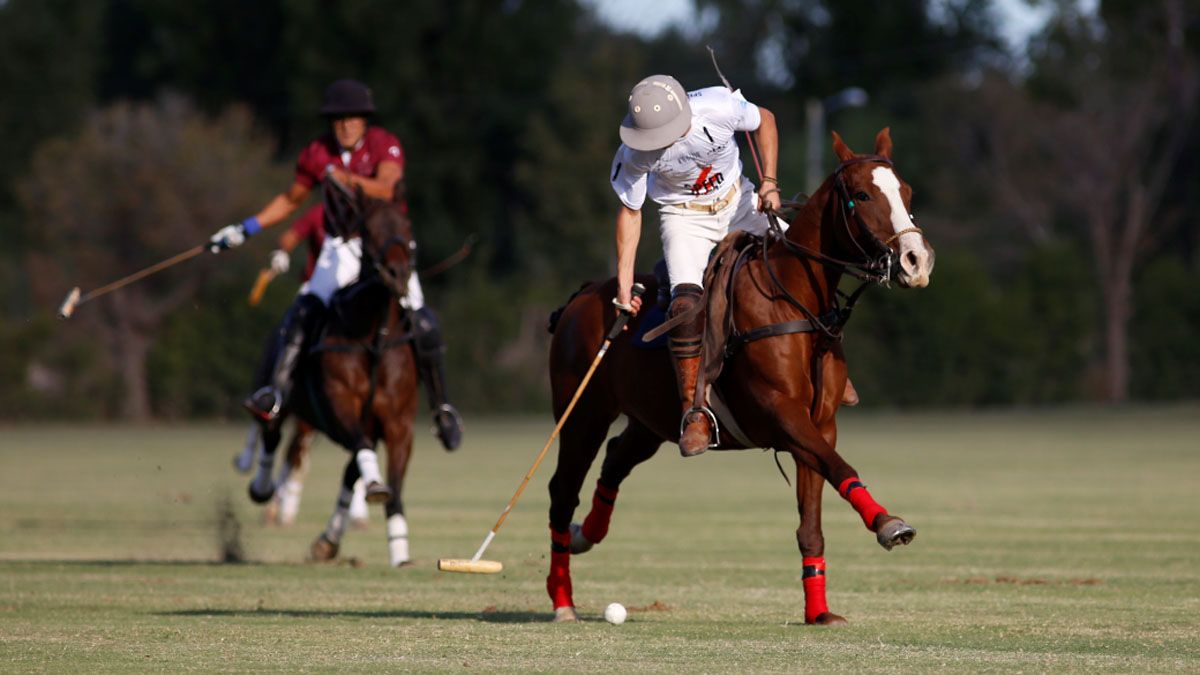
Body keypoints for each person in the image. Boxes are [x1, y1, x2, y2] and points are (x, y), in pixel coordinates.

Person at [209, 79, 464, 456]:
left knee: (421, 318)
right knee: (305, 309)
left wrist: (345, 178)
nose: (345, 125)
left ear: (365, 121)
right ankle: (275, 394)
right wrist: (247, 228)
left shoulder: (384, 145)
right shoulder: (316, 153)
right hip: (340, 247)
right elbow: (291, 199)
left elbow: (386, 188)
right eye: (338, 119)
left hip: (383, 248)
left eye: (353, 118)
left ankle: (442, 408)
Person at [609, 74, 796, 457]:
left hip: (739, 201)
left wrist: (770, 183)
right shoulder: (632, 153)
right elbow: (631, 212)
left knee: (800, 262)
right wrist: (624, 285)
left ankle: (831, 368)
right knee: (684, 306)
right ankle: (693, 413)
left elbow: (767, 120)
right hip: (683, 217)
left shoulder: (718, 107)